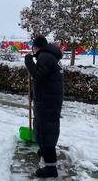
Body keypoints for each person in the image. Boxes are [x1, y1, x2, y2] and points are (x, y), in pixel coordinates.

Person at [25, 35, 64, 178]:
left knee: (46, 131)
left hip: (47, 102)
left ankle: (51, 168)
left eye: (33, 47)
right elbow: (43, 80)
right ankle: (44, 149)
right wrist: (33, 92)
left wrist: (28, 61)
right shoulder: (49, 56)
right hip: (48, 99)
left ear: (36, 47)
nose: (32, 50)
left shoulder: (45, 57)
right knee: (43, 128)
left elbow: (37, 75)